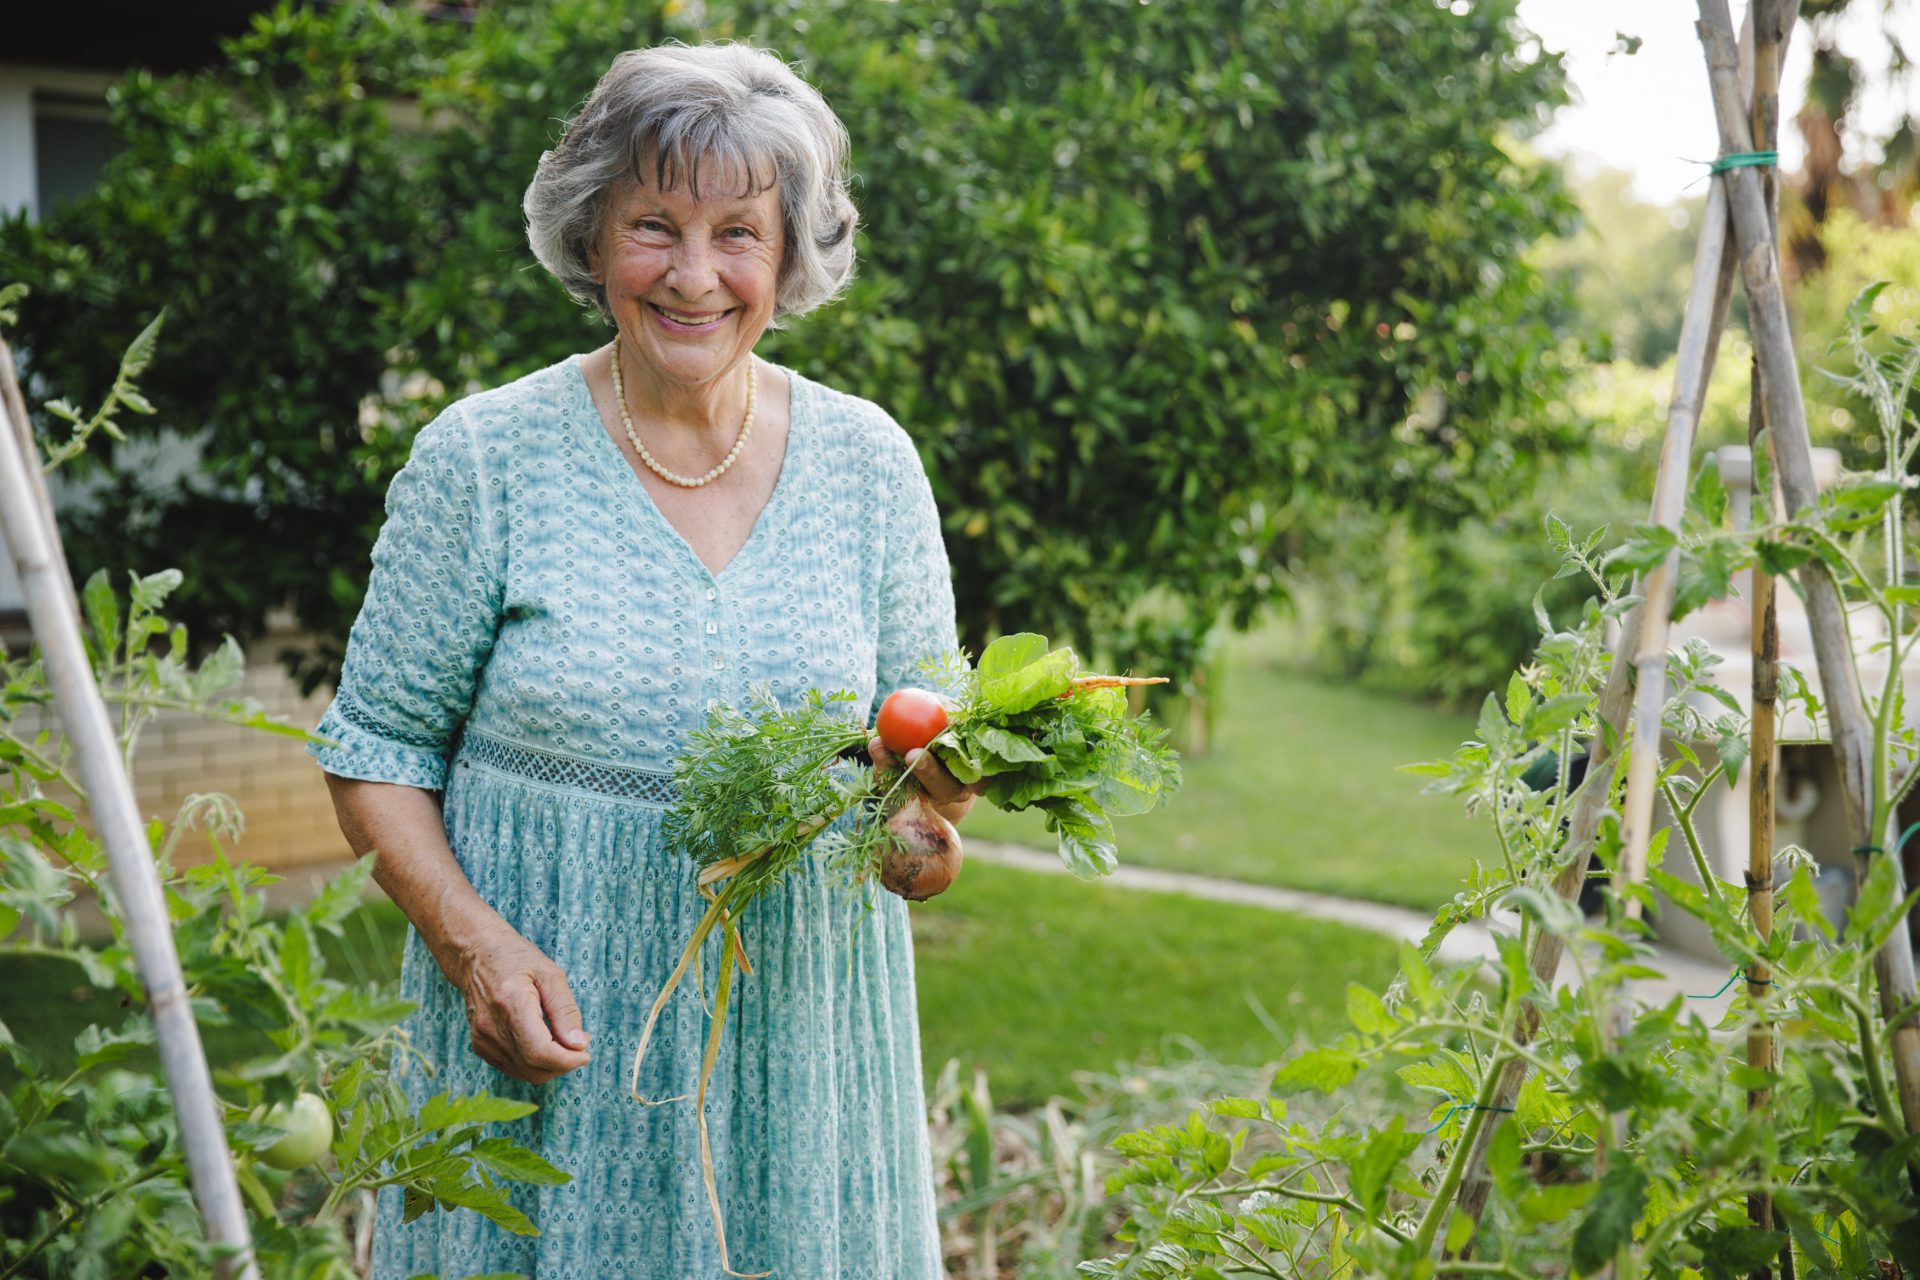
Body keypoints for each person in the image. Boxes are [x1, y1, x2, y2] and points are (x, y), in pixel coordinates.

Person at [309, 42, 977, 1278]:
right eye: (653, 225)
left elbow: (913, 768)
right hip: (543, 1060)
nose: (693, 274)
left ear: (787, 254)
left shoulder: (872, 467)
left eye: (738, 232)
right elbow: (377, 753)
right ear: (591, 234)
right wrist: (476, 947)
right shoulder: (484, 461)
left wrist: (921, 838)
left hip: (799, 1069)